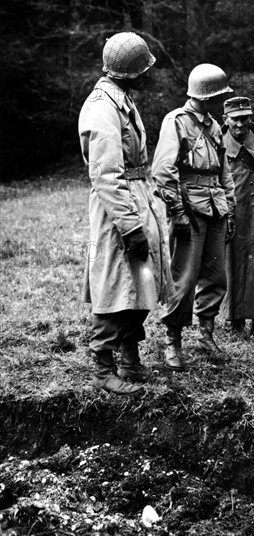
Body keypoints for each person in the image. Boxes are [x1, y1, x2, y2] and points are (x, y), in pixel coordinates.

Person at [78, 32, 171, 395]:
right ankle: (103, 366)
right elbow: (105, 175)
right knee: (115, 286)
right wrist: (130, 226)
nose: (148, 75)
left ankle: (130, 359)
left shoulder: (122, 100)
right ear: (130, 73)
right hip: (116, 209)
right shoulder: (102, 107)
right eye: (144, 69)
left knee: (144, 279)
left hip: (136, 198)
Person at [152, 63, 236, 372]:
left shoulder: (214, 127)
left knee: (216, 277)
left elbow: (224, 172)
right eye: (219, 96)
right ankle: (172, 341)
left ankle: (206, 335)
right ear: (206, 96)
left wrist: (231, 209)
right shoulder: (177, 122)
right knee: (183, 278)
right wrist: (177, 212)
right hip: (189, 211)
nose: (221, 101)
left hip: (216, 209)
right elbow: (163, 172)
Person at [220, 96, 254, 341]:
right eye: (235, 120)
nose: (241, 125)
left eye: (245, 119)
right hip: (233, 213)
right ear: (225, 120)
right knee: (233, 264)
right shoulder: (218, 142)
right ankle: (234, 318)